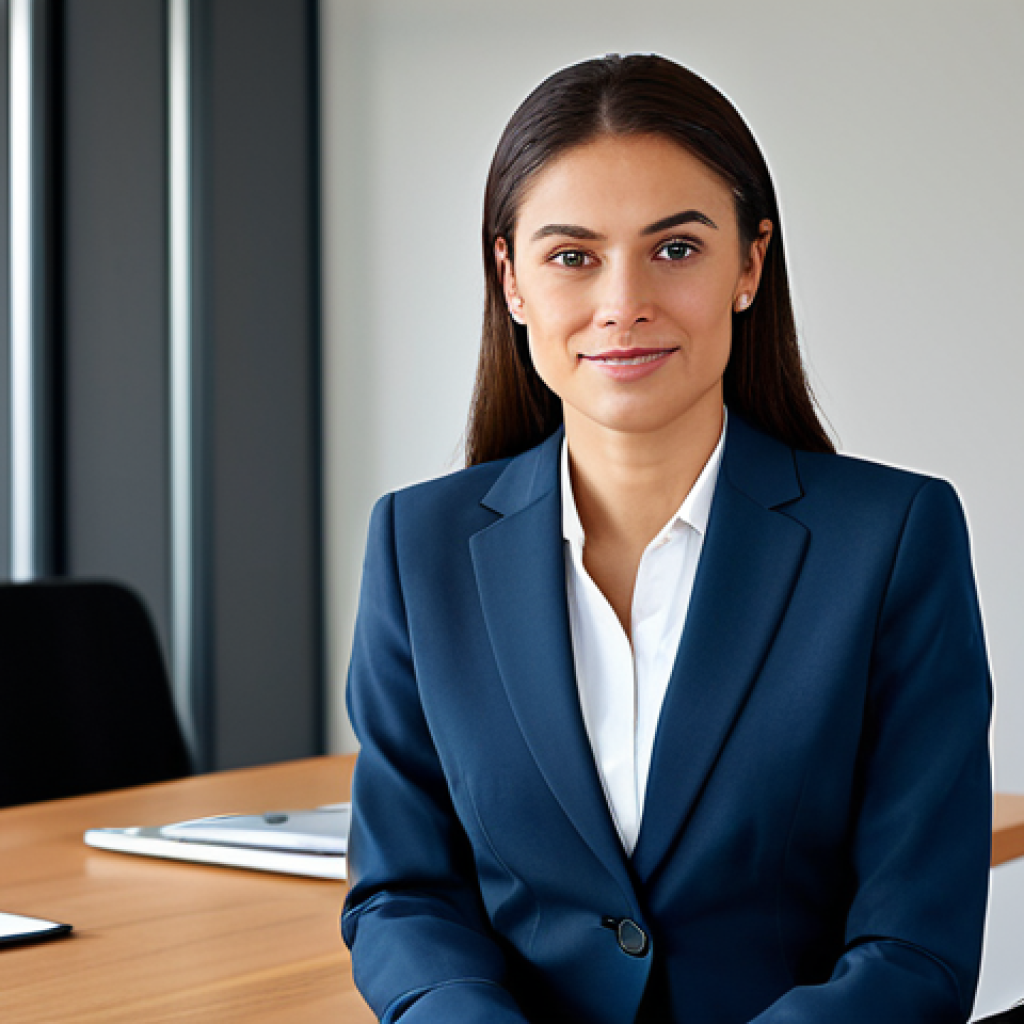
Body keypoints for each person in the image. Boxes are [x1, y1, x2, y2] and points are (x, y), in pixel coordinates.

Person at [341, 53, 992, 1024]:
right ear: (510, 280)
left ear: (749, 265)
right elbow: (404, 893)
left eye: (676, 248)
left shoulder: (893, 539)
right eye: (573, 257)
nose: (623, 302)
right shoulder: (417, 545)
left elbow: (914, 944)